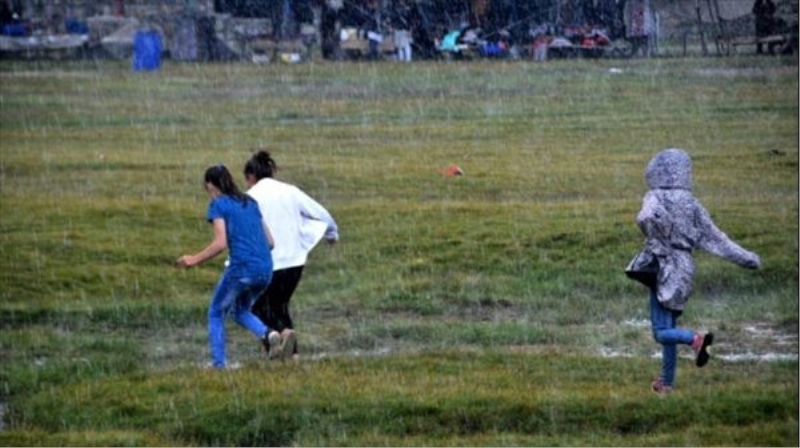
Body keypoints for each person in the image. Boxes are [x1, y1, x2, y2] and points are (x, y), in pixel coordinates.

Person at [631, 148, 761, 394]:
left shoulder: (655, 196)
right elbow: (717, 239)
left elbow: (645, 218)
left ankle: (695, 339)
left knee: (660, 332)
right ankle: (666, 384)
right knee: (669, 326)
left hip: (663, 265)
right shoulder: (692, 204)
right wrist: (748, 259)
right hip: (685, 267)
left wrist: (659, 231)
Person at [177, 164, 285, 369]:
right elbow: (270, 242)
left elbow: (220, 243)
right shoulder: (250, 202)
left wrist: (194, 259)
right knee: (240, 309)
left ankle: (219, 364)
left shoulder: (218, 204)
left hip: (242, 269)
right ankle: (268, 334)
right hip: (265, 269)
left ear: (210, 185)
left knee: (216, 312)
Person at [244, 150, 340, 360]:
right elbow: (320, 212)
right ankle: (291, 355)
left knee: (256, 307)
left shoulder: (249, 197)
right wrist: (332, 233)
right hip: (295, 263)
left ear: (250, 177)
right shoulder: (290, 191)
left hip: (267, 264)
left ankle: (276, 341)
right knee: (279, 305)